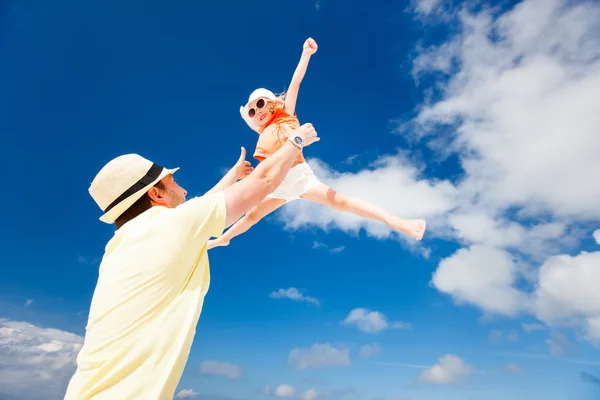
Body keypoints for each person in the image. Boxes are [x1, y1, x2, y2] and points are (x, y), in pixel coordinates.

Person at [63, 123, 319, 400]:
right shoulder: (171, 226)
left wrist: (233, 176)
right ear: (156, 194)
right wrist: (295, 141)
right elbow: (265, 181)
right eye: (174, 182)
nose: (184, 190)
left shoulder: (125, 243)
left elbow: (198, 209)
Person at [207, 38, 426, 250]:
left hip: (300, 177)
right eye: (254, 110)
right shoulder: (263, 130)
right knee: (252, 215)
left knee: (340, 202)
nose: (258, 112)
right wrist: (247, 116)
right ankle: (223, 239)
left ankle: (395, 221)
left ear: (273, 103)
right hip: (277, 183)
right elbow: (257, 132)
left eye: (261, 104)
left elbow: (295, 83)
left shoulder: (286, 115)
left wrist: (306, 54)